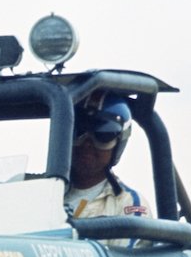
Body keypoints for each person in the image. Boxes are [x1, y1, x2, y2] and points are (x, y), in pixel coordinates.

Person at [64, 94, 153, 236]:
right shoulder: (40, 189)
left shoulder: (128, 204)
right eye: (79, 132)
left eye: (103, 134)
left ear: (119, 143)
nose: (87, 143)